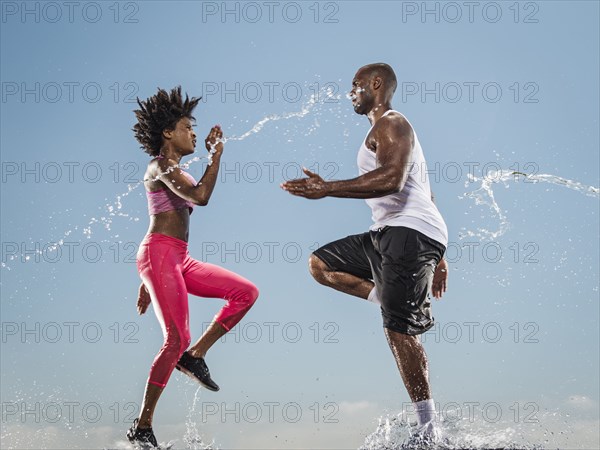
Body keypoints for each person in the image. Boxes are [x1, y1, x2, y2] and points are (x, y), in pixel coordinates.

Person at [281, 63, 449, 442]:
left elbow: (393, 178)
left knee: (397, 331)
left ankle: (429, 430)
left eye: (355, 85)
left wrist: (327, 189)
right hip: (388, 232)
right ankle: (392, 301)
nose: (350, 92)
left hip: (409, 232)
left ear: (376, 84)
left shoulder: (393, 123)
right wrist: (441, 257)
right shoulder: (378, 130)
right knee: (320, 264)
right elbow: (426, 190)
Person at [127, 86, 259, 448]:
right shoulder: (161, 165)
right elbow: (201, 196)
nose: (194, 133)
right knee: (175, 337)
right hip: (160, 255)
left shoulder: (175, 169)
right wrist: (215, 158)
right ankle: (142, 427)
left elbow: (168, 212)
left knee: (245, 293)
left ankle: (195, 356)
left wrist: (149, 280)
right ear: (168, 133)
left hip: (175, 259)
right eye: (188, 127)